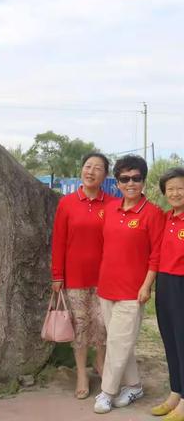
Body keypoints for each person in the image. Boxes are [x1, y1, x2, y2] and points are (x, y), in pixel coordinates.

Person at [94, 155, 165, 414]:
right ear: (117, 182)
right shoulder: (110, 209)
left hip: (133, 292)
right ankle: (134, 385)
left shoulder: (153, 213)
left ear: (144, 181)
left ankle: (107, 392)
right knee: (119, 341)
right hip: (106, 287)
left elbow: (156, 255)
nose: (130, 183)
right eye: (124, 179)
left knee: (117, 343)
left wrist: (147, 286)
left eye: (136, 178)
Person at [51, 152, 114, 400]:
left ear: (105, 176)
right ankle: (81, 373)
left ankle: (100, 364)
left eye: (97, 168)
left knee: (102, 323)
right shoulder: (66, 203)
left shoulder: (111, 204)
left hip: (104, 277)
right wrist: (57, 275)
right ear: (82, 170)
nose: (91, 171)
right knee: (80, 325)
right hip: (74, 277)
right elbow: (58, 241)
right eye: (88, 166)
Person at [150, 167, 184, 420]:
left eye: (180, 188)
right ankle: (175, 391)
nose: (175, 193)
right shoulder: (165, 218)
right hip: (164, 282)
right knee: (170, 339)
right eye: (170, 189)